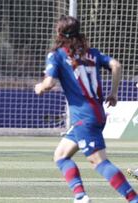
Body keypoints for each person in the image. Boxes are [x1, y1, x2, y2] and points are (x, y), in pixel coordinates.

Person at [34, 15, 138, 203]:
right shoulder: (92, 53)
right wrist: (113, 93)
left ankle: (133, 198)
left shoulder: (57, 55)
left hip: (84, 116)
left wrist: (39, 87)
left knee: (99, 162)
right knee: (61, 155)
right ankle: (80, 196)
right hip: (96, 113)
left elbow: (48, 83)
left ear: (59, 33)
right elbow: (116, 65)